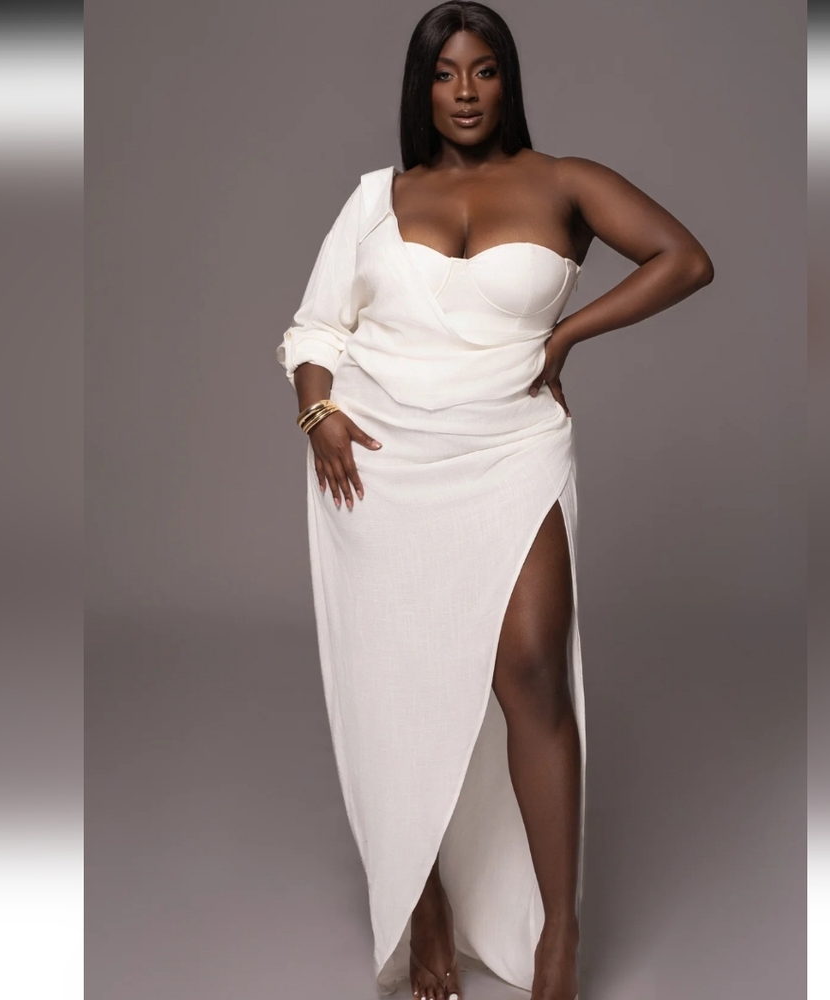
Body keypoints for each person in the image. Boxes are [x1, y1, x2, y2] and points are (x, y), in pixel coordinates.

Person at [277, 4, 713, 998]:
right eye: (445, 73)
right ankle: (425, 902)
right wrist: (318, 414)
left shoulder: (564, 182)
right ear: (421, 88)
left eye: (483, 70)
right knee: (402, 689)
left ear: (508, 80)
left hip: (511, 446)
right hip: (382, 462)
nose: (465, 91)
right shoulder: (377, 200)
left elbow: (684, 259)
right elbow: (313, 328)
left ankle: (558, 932)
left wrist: (564, 337)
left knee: (531, 669)